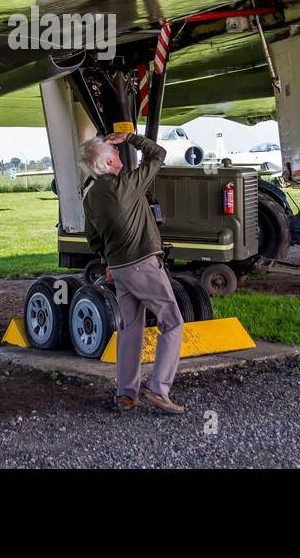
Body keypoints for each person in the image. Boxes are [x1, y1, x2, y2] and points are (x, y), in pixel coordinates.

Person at [79, 130, 184, 414]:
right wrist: (129, 137)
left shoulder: (90, 198)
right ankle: (159, 389)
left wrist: (110, 261)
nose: (120, 157)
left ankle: (126, 393)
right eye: (114, 154)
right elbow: (158, 154)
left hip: (120, 270)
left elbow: (94, 239)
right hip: (143, 264)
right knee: (173, 322)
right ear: (108, 164)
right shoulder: (128, 184)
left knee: (130, 328)